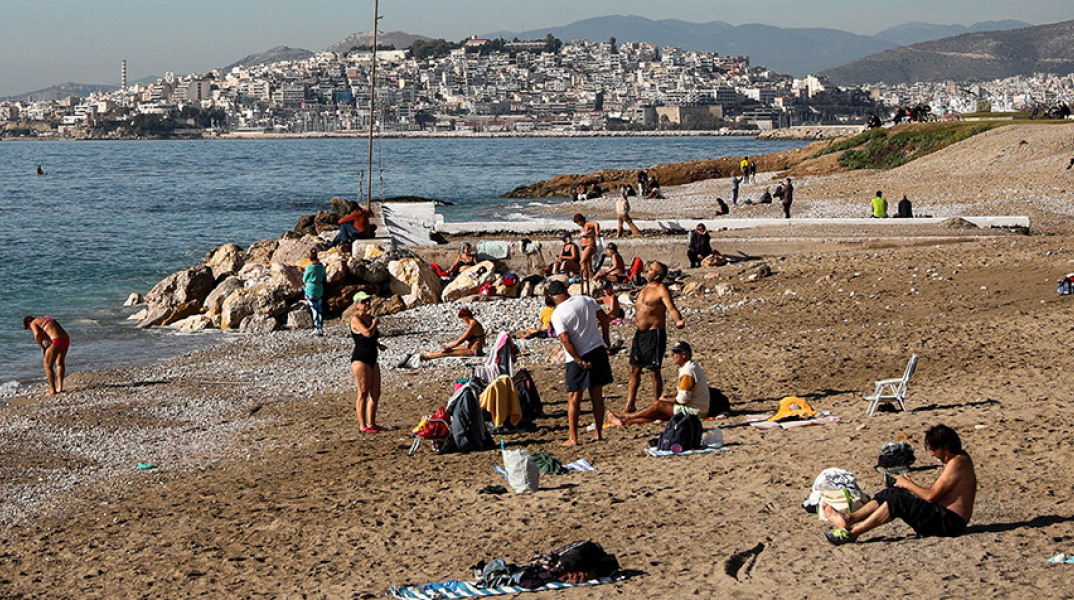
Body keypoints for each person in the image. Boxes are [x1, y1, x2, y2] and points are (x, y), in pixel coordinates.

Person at [823, 424, 977, 545]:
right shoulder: (957, 459)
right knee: (890, 493)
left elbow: (931, 496)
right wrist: (908, 484)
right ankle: (850, 518)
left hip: (949, 523)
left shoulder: (957, 463)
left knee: (897, 500)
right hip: (942, 514)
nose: (931, 454)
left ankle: (853, 533)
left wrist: (908, 485)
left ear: (946, 449)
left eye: (933, 450)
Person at [547, 280, 612, 446]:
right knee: (597, 395)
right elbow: (604, 319)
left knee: (574, 398)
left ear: (552, 296)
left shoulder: (558, 313)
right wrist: (606, 338)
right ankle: (598, 432)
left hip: (578, 355)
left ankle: (573, 437)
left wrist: (578, 360)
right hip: (597, 349)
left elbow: (565, 339)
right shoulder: (586, 300)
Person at [624, 262, 685, 413]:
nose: (647, 270)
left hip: (654, 334)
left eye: (650, 269)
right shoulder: (645, 287)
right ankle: (630, 404)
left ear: (657, 275)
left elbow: (671, 307)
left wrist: (678, 321)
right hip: (640, 334)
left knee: (654, 370)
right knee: (634, 369)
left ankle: (657, 403)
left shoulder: (661, 289)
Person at [607, 340, 708, 426]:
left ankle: (627, 416)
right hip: (697, 408)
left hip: (695, 411)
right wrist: (670, 398)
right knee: (657, 414)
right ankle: (626, 421)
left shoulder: (687, 372)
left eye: (676, 353)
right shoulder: (690, 367)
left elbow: (683, 399)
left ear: (684, 355)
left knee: (658, 405)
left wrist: (668, 401)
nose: (673, 355)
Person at [349, 292, 386, 432]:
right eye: (364, 302)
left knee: (376, 393)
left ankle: (372, 423)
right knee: (363, 392)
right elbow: (367, 333)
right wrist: (374, 325)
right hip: (360, 359)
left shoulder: (370, 318)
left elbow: (371, 338)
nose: (367, 304)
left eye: (368, 301)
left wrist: (378, 344)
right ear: (357, 305)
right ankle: (362, 425)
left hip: (372, 357)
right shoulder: (355, 319)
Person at [415, 307, 486, 362]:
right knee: (452, 348)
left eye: (462, 319)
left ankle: (429, 356)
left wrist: (449, 347)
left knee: (449, 352)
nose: (463, 321)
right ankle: (433, 353)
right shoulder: (473, 323)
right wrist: (449, 346)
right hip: (471, 348)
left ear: (465, 317)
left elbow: (461, 340)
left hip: (474, 351)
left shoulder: (473, 325)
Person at [24, 315, 70, 397]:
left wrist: (41, 346)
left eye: (30, 329)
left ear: (28, 323)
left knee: (47, 366)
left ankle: (53, 390)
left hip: (57, 340)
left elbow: (37, 334)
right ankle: (60, 387)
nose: (31, 329)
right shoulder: (45, 318)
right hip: (66, 339)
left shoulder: (33, 323)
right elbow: (52, 330)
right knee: (60, 362)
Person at [573, 213, 600, 293]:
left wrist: (597, 232)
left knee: (582, 261)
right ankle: (591, 280)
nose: (578, 224)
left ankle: (584, 276)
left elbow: (596, 224)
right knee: (588, 266)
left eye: (579, 222)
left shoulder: (588, 224)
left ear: (581, 220)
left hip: (590, 245)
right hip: (584, 247)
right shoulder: (582, 229)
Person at [302, 250, 327, 336]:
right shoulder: (321, 266)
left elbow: (304, 279)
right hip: (319, 288)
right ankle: (320, 328)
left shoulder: (310, 267)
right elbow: (324, 277)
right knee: (319, 308)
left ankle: (316, 328)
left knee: (313, 308)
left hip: (310, 289)